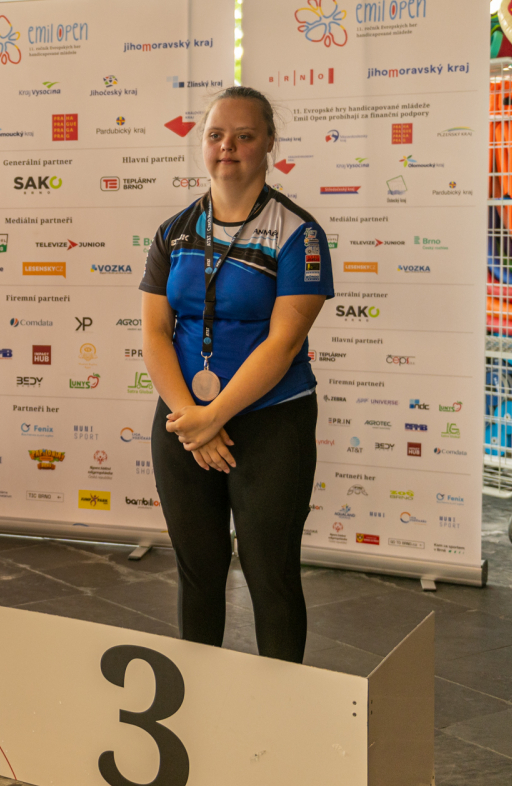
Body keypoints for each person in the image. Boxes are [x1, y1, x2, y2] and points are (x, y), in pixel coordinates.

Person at [139, 86, 333, 664]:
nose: (228, 147)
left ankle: (282, 704)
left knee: (270, 574)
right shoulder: (174, 231)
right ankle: (200, 698)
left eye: (244, 136)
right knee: (198, 572)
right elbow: (155, 334)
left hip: (270, 424)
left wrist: (213, 418)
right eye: (216, 135)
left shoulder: (299, 233)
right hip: (183, 422)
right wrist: (191, 419)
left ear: (269, 142)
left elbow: (284, 342)